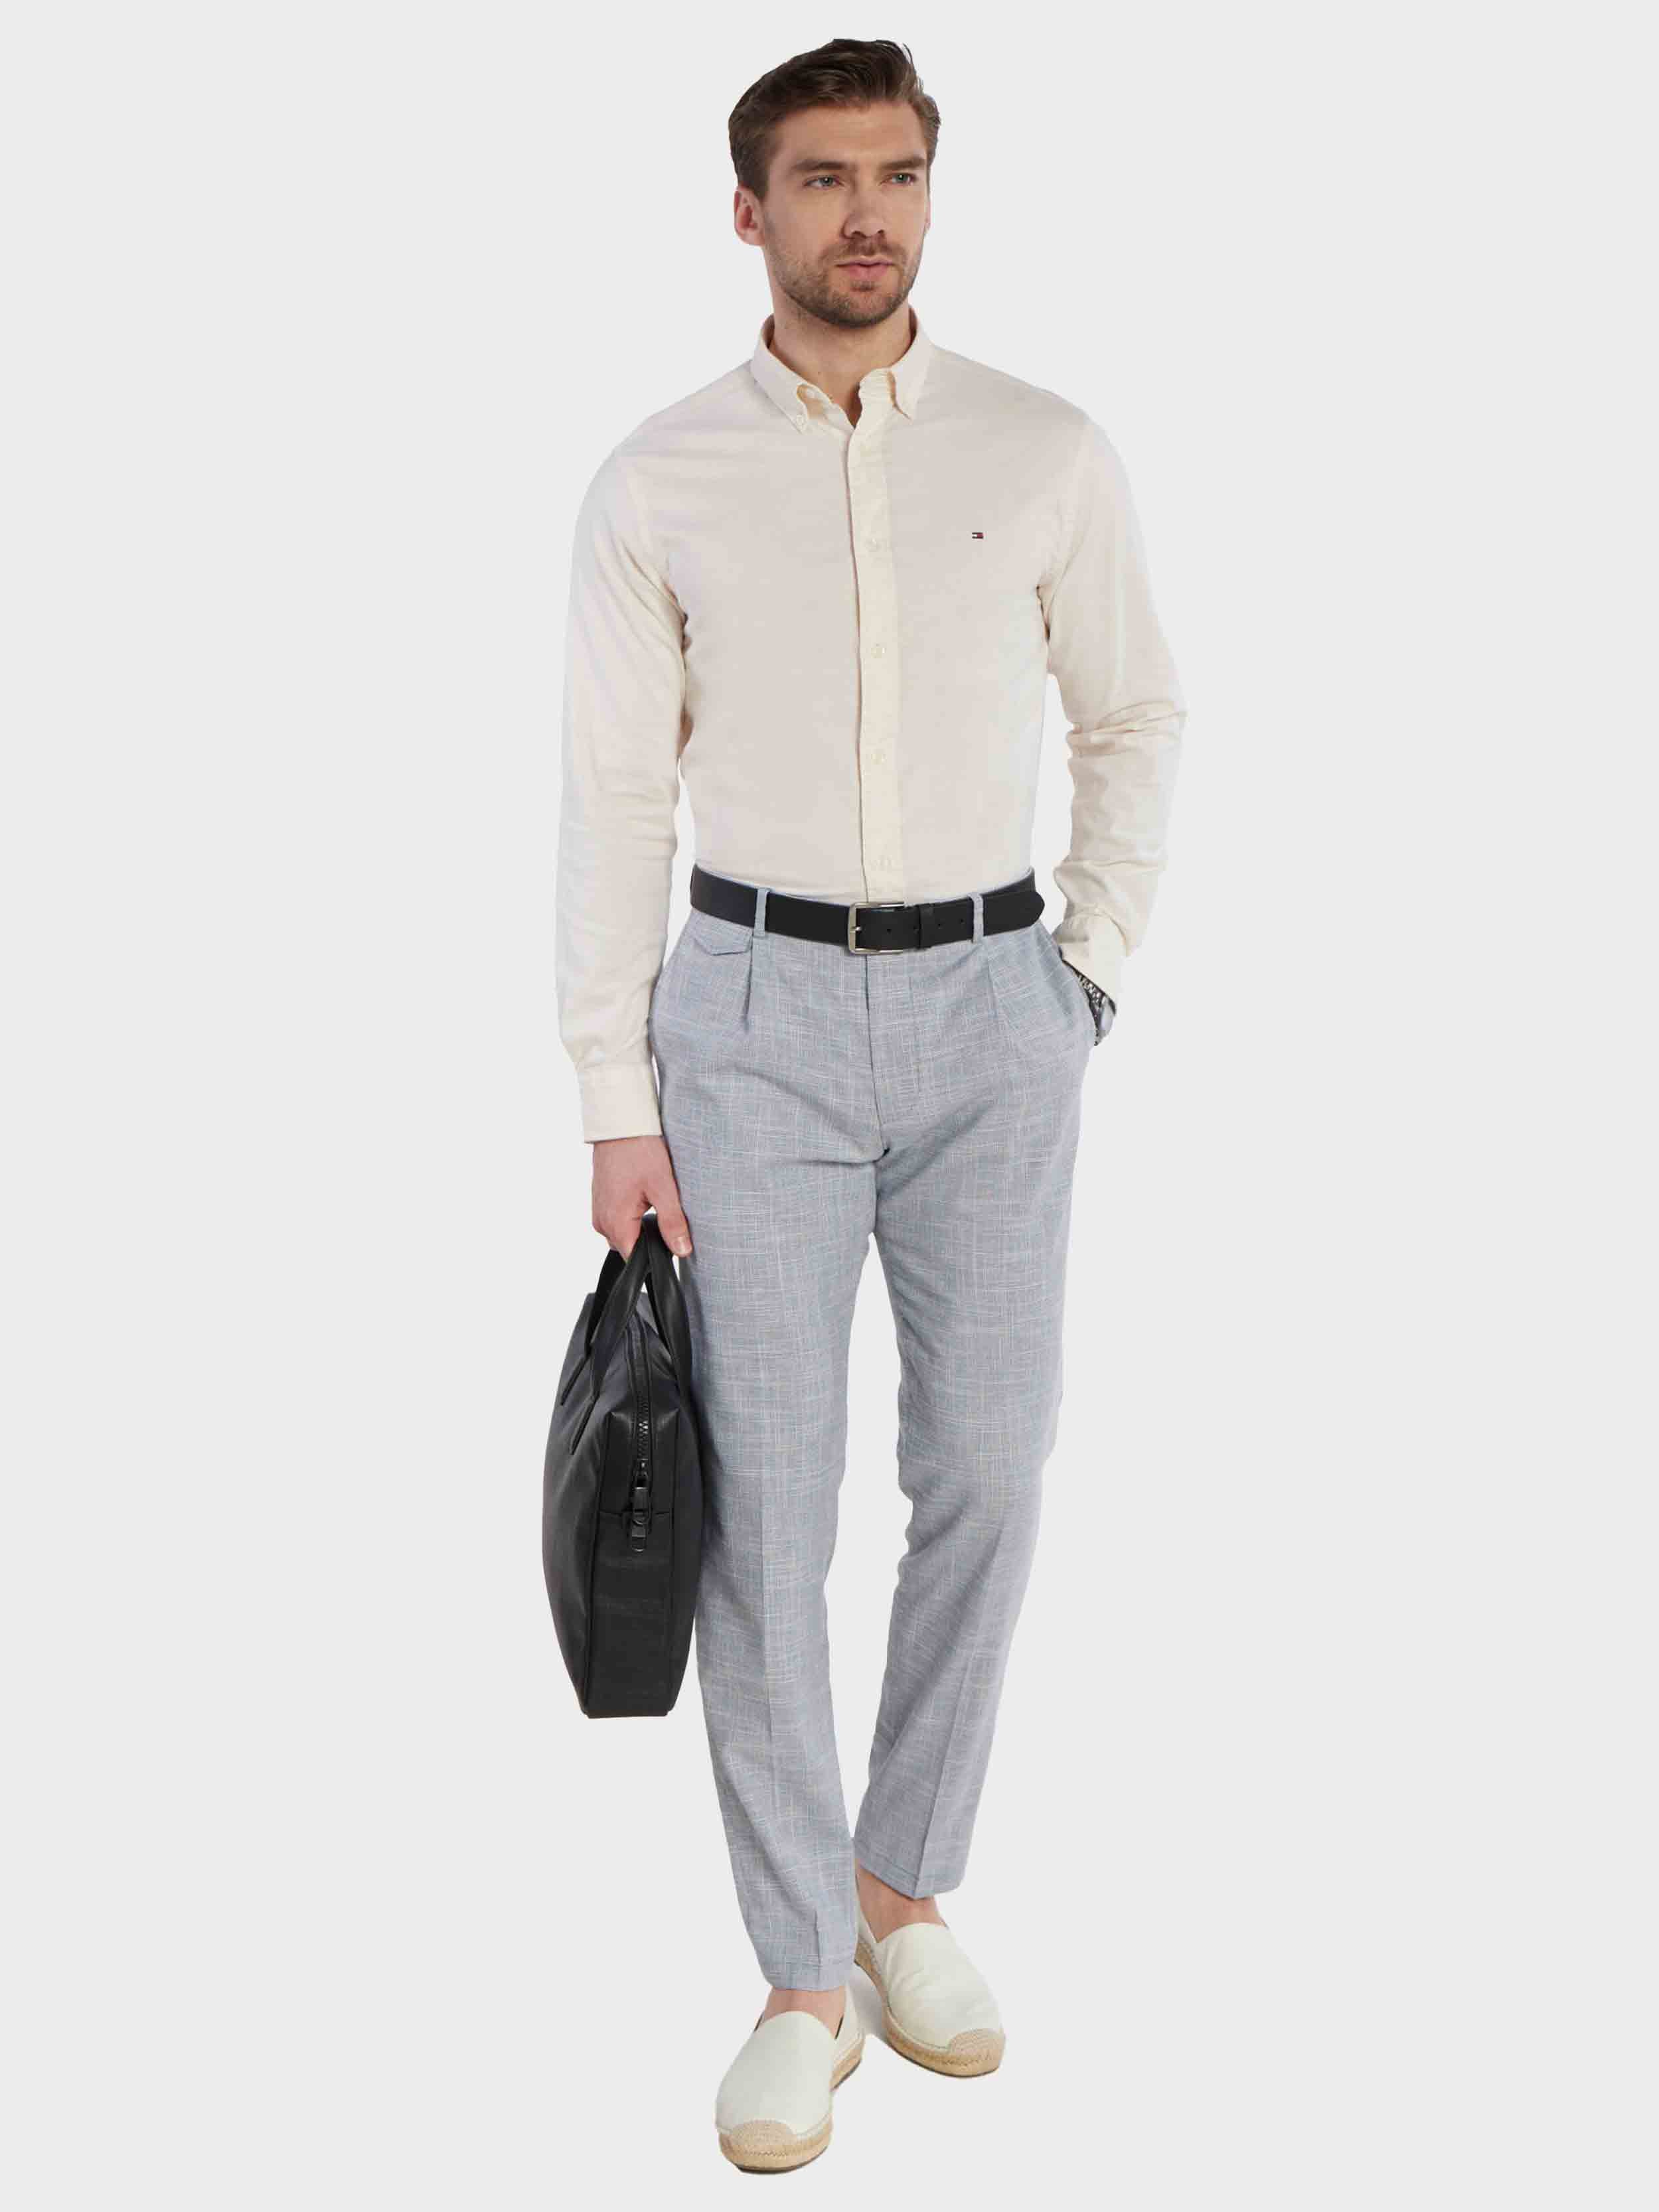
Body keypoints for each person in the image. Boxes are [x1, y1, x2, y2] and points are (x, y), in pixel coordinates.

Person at [556, 36, 1185, 2174]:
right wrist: (613, 1090)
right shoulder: (658, 478)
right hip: (743, 1020)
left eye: (896, 174)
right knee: (766, 1502)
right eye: (822, 178)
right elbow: (612, 799)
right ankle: (796, 1979)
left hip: (996, 1009)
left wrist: (1084, 974)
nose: (865, 214)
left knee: (989, 1463)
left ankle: (901, 1888)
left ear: (930, 192)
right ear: (748, 210)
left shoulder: (1045, 446)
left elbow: (1134, 713)